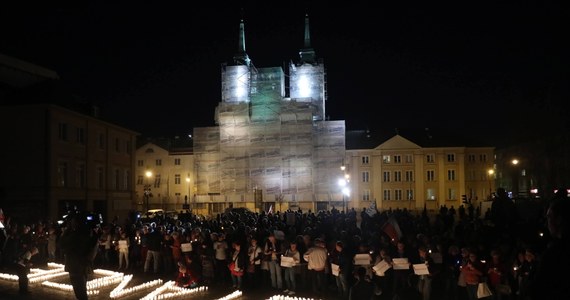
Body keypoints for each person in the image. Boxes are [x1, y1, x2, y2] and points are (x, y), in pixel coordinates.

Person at [530, 192, 570, 299]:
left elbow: (538, 289)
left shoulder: (555, 254)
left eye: (549, 217)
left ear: (559, 219)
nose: (546, 223)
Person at [59, 213, 99, 300]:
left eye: (72, 221)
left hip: (75, 266)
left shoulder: (76, 236)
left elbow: (62, 244)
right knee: (82, 290)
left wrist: (67, 230)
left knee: (80, 293)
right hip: (83, 265)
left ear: (76, 223)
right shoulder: (88, 233)